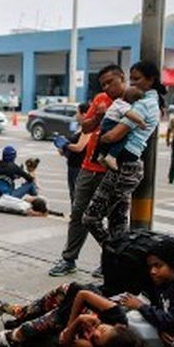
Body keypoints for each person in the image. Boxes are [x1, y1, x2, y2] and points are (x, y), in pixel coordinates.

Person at [82, 61, 164, 278]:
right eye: (132, 78)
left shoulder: (143, 104)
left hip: (126, 166)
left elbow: (113, 135)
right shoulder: (150, 102)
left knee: (92, 218)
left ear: (150, 80)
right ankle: (118, 264)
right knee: (117, 223)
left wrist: (103, 139)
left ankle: (118, 258)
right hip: (126, 165)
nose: (133, 83)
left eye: (137, 79)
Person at [48, 65, 126, 277]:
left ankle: (109, 262)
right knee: (78, 214)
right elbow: (86, 127)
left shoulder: (131, 101)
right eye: (103, 84)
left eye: (110, 82)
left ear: (122, 78)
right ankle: (69, 259)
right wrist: (99, 116)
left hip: (112, 170)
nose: (107, 87)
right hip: (88, 168)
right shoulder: (100, 99)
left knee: (112, 218)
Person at [0, 282, 135, 347]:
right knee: (26, 313)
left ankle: (4, 338)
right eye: (103, 330)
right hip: (69, 296)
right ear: (114, 326)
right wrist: (72, 321)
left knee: (30, 328)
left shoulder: (93, 346)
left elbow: (65, 341)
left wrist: (79, 321)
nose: (97, 332)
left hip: (65, 318)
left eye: (98, 338)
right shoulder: (116, 315)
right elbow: (82, 294)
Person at [117, 238, 174, 347]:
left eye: (158, 265)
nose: (153, 271)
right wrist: (161, 329)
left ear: (173, 264)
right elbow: (163, 311)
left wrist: (140, 306)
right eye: (150, 267)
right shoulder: (163, 286)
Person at [92, 86, 148, 170]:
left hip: (105, 123)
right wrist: (140, 121)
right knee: (122, 138)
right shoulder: (124, 105)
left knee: (104, 141)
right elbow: (129, 114)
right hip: (111, 123)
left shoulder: (117, 102)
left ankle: (102, 155)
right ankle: (112, 156)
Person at [56, 102, 89, 205]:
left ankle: (77, 214)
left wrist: (65, 144)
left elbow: (79, 147)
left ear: (84, 114)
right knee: (73, 193)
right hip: (72, 165)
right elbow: (72, 145)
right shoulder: (79, 127)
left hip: (79, 167)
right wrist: (63, 148)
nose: (76, 115)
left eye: (77, 112)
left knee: (77, 194)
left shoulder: (88, 129)